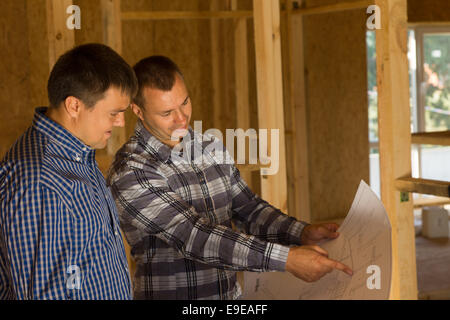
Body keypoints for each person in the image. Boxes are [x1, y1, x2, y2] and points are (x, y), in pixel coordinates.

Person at [107, 56, 352, 300]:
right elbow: (194, 236)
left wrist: (301, 233)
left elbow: (248, 208)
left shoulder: (209, 146)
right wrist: (286, 259)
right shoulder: (132, 171)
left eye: (185, 102)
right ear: (137, 110)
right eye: (167, 112)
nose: (182, 118)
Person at [0, 43, 138, 300]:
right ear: (74, 106)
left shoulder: (77, 156)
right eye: (114, 113)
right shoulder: (39, 181)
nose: (121, 122)